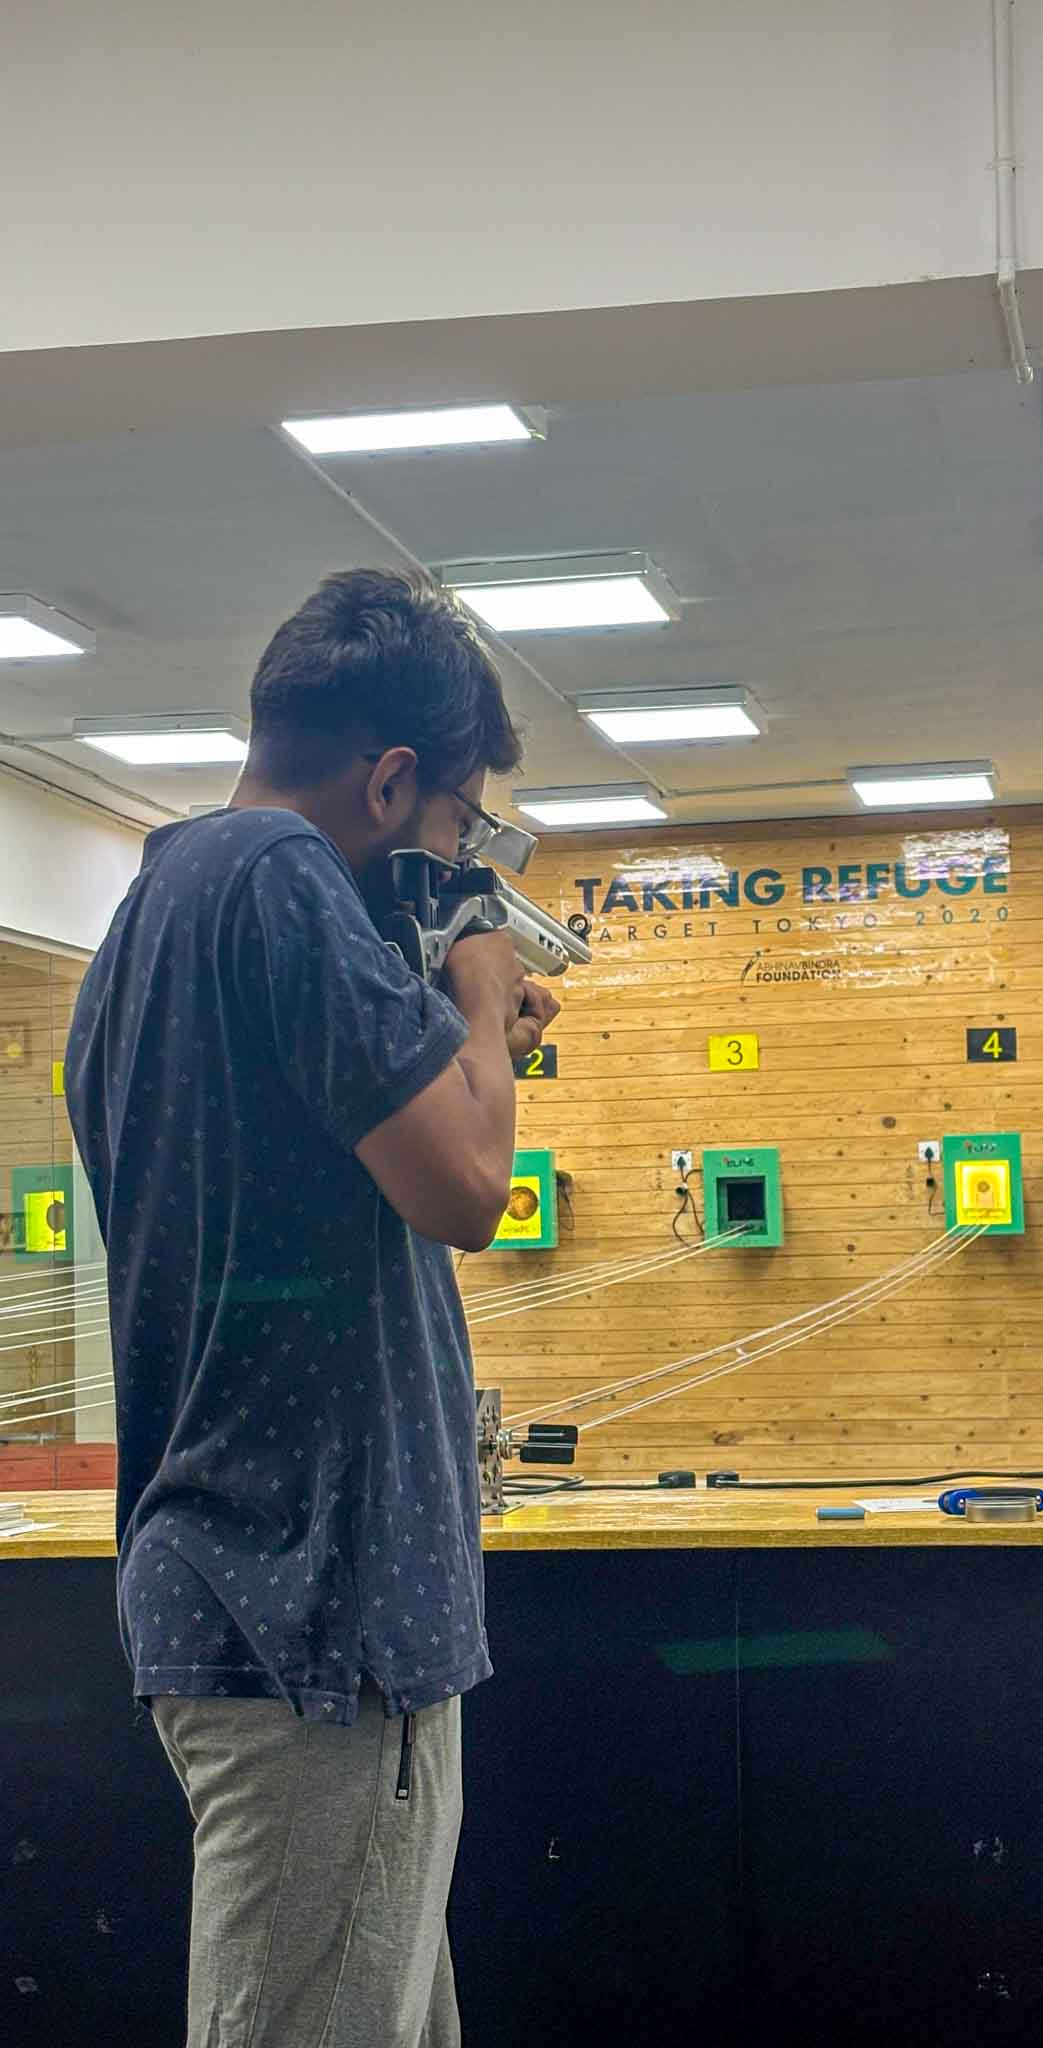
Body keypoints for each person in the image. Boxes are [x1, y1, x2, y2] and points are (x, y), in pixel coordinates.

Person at [65, 567, 560, 2048]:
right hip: (320, 1616)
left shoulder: (157, 909)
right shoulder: (280, 880)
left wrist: (470, 1040)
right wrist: (479, 984)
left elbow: (385, 1166)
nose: (449, 860)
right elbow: (472, 1190)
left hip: (269, 1598)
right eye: (452, 831)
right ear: (392, 778)